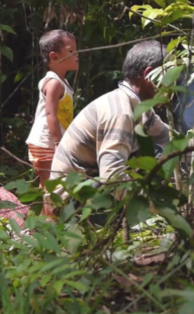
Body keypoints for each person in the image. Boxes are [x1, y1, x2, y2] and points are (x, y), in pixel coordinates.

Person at [49, 40, 170, 203]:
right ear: (148, 75)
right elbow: (112, 177)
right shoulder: (121, 113)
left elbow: (170, 139)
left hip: (88, 184)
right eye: (169, 77)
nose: (171, 85)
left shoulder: (139, 108)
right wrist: (151, 206)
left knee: (162, 151)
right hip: (69, 199)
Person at [25, 30, 79, 189]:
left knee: (50, 186)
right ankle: (48, 214)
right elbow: (51, 114)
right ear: (54, 57)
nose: (77, 54)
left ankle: (46, 213)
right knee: (51, 186)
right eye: (71, 51)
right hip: (46, 142)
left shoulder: (62, 82)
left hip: (51, 142)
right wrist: (58, 142)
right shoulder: (54, 83)